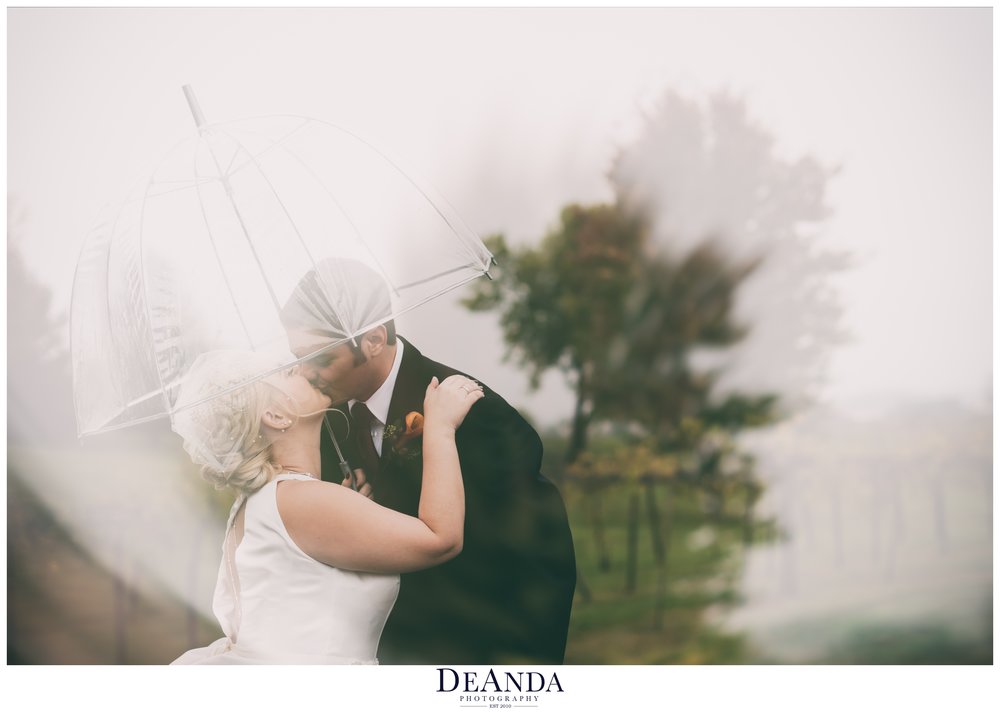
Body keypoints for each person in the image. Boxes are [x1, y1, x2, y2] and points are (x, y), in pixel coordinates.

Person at [280, 258, 577, 664]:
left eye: (319, 358)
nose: (306, 373)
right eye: (298, 357)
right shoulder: (330, 429)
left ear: (372, 339)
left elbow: (537, 562)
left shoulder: (476, 414)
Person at [170, 349, 483, 664]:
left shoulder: (260, 504)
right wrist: (441, 427)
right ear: (276, 416)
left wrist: (348, 510)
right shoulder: (300, 501)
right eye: (287, 374)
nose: (304, 369)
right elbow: (440, 539)